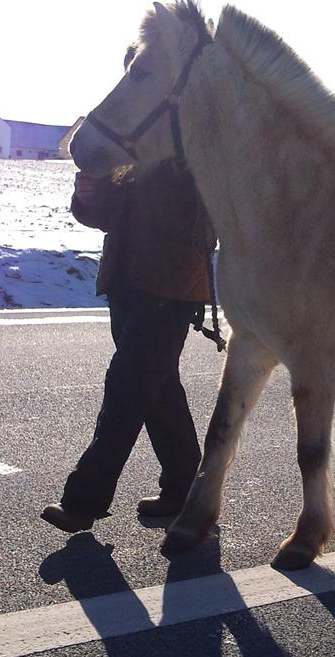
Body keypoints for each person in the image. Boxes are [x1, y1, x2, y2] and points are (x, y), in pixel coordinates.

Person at [41, 159, 213, 533]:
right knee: (158, 390)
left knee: (126, 387)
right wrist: (90, 198)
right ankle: (186, 489)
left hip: (170, 284)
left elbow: (206, 221)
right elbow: (111, 217)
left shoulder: (195, 147)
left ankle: (83, 501)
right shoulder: (138, 147)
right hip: (128, 283)